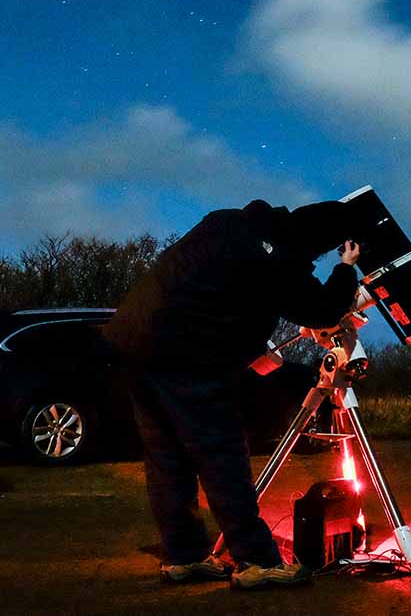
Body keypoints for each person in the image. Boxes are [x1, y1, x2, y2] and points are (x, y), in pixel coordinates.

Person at [103, 199, 361, 591]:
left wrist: (244, 342)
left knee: (167, 455)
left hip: (135, 342)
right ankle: (257, 560)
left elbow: (219, 292)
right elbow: (322, 309)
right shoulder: (280, 257)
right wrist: (345, 268)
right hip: (185, 353)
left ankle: (185, 556)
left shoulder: (229, 223)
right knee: (221, 452)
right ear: (318, 242)